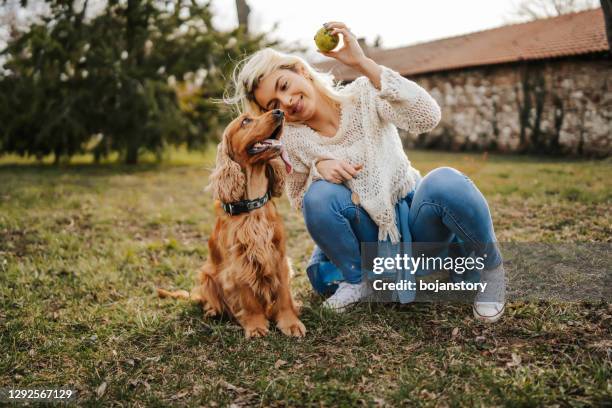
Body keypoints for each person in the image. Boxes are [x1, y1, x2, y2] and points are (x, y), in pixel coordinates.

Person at [223, 22, 506, 323]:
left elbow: (427, 117)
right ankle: (358, 280)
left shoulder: (363, 95)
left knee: (446, 180)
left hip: (415, 222)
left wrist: (363, 63)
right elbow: (300, 201)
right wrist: (319, 170)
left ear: (300, 71)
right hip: (366, 235)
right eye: (274, 104)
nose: (288, 102)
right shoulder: (290, 139)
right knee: (317, 195)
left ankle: (492, 272)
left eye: (284, 86)